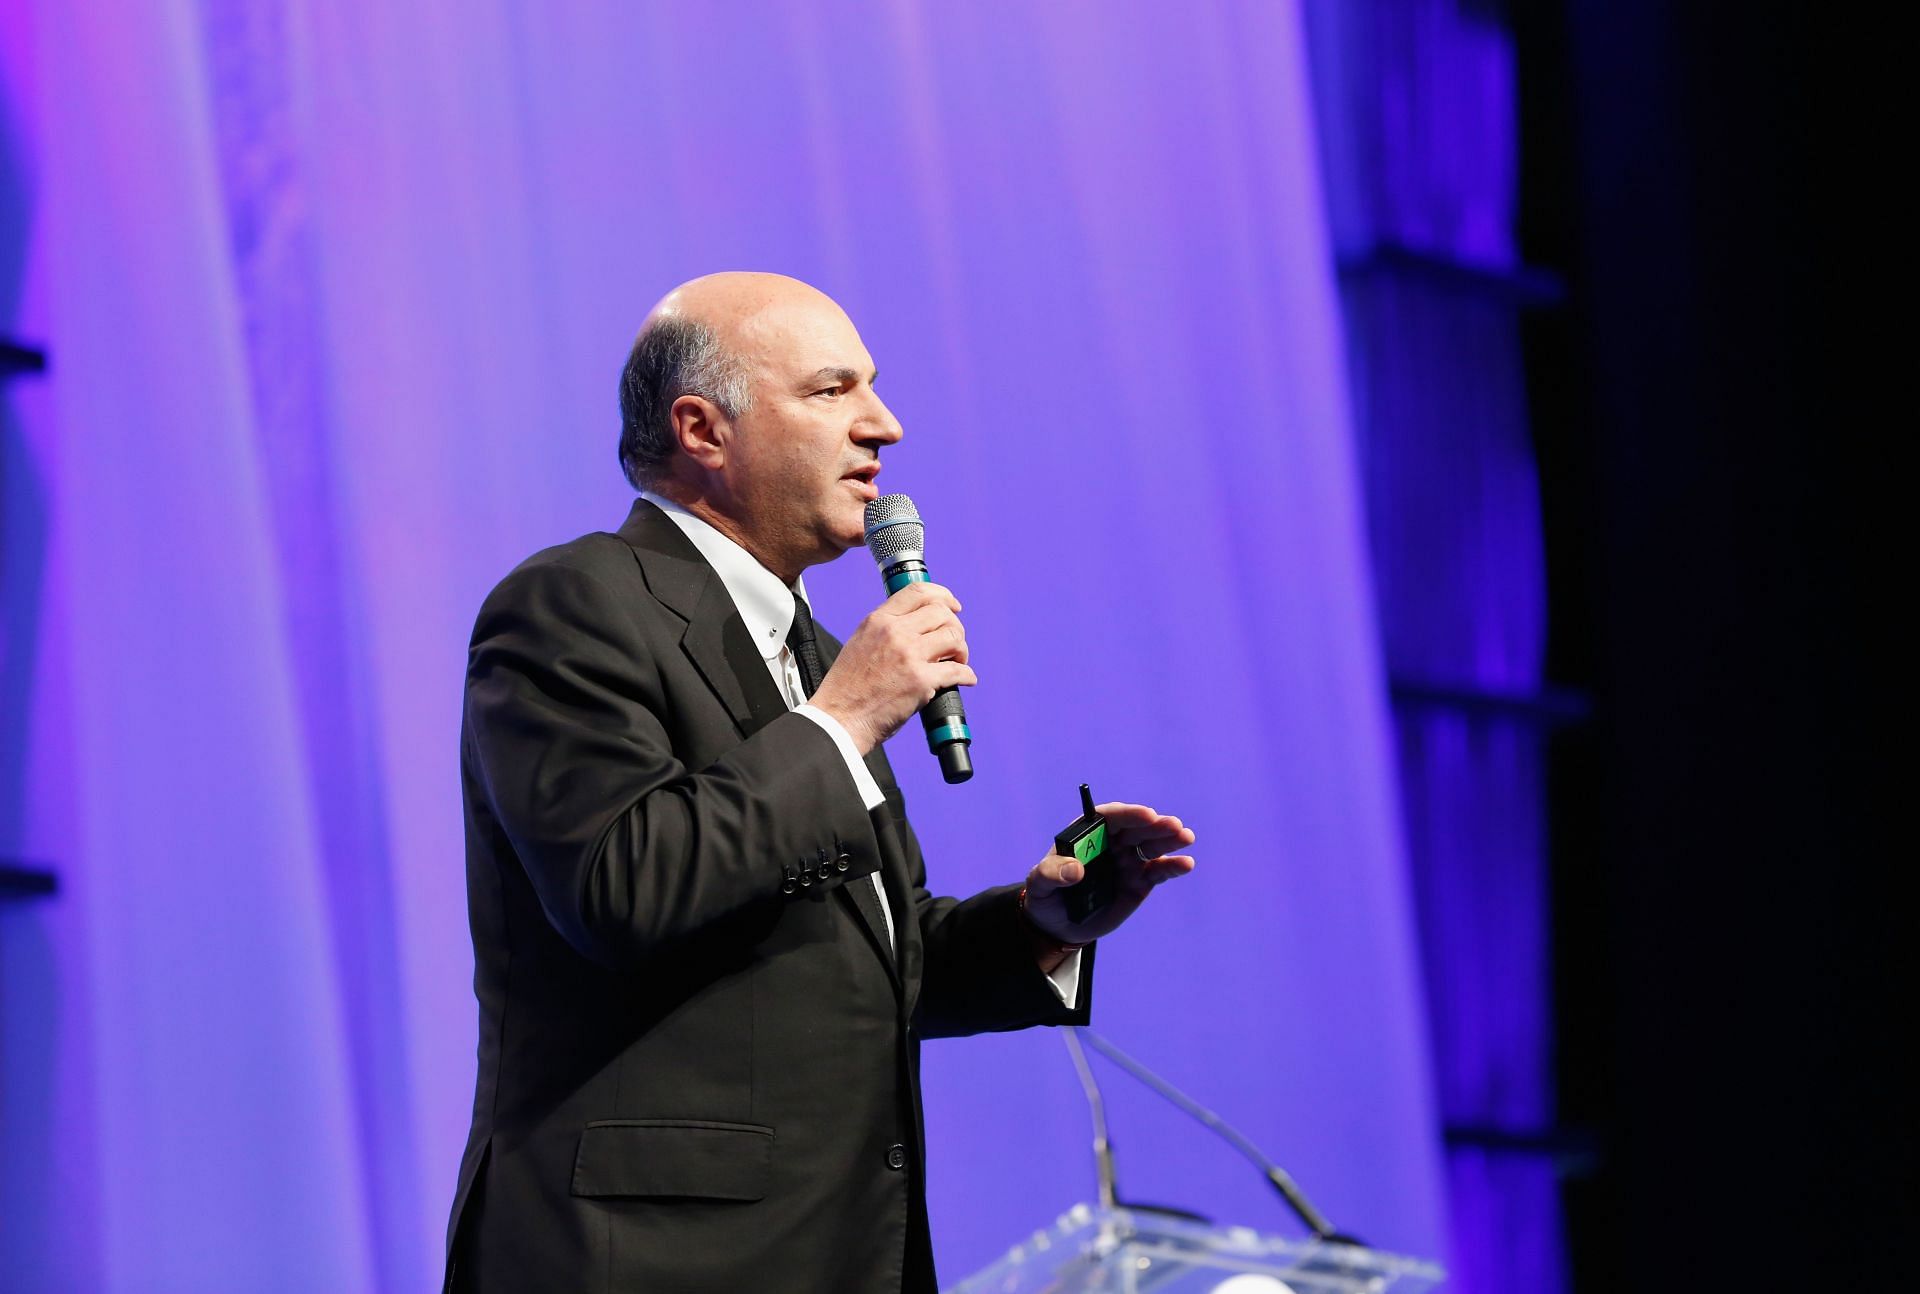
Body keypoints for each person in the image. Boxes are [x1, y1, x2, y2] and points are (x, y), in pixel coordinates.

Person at [444, 272, 1197, 1293]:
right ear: (704, 429)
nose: (883, 426)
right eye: (833, 392)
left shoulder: (815, 655)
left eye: (871, 389)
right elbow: (620, 887)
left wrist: (1043, 925)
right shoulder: (571, 607)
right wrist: (843, 720)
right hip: (648, 1264)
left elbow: (863, 960)